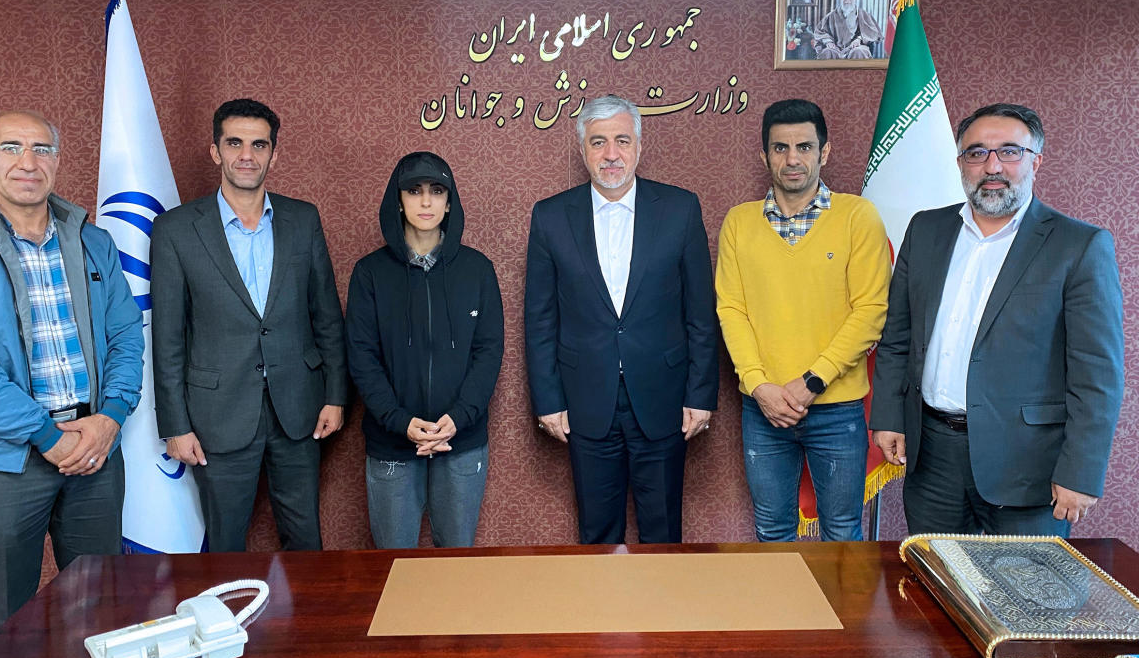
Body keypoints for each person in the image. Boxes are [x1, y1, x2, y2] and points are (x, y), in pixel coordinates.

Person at [0, 111, 143, 643]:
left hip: (94, 451)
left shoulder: (93, 242)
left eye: (41, 149)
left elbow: (127, 336)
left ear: (57, 162)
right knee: (5, 621)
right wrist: (44, 435)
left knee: (101, 609)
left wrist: (109, 418)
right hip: (5, 461)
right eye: (12, 147)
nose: (28, 162)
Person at [870, 103, 1124, 536]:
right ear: (960, 163)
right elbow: (898, 336)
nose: (992, 166)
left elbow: (1097, 374)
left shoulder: (1079, 246)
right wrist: (890, 415)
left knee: (1027, 597)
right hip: (932, 455)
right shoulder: (926, 230)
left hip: (1029, 465)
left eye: (1009, 152)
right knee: (937, 587)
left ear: (1035, 160)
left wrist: (1080, 472)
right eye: (977, 153)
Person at [151, 98, 347, 552]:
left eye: (259, 145)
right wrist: (175, 425)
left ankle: (306, 625)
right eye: (234, 143)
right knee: (224, 543)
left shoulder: (303, 219)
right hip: (216, 413)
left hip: (299, 408)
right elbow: (167, 338)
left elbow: (326, 316)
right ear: (215, 151)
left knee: (305, 539)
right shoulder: (176, 230)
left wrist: (336, 395)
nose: (247, 155)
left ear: (274, 154)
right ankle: (229, 626)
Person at [524, 94, 718, 544]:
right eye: (598, 142)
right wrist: (548, 400)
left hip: (665, 399)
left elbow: (700, 314)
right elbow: (538, 320)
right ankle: (601, 615)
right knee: (597, 533)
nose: (611, 154)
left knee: (663, 532)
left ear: (638, 146)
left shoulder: (680, 209)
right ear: (583, 150)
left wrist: (701, 393)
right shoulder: (551, 217)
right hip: (585, 401)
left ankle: (664, 615)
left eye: (621, 141)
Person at [715, 99, 890, 541]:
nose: (792, 159)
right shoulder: (739, 223)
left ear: (824, 152)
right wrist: (760, 386)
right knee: (772, 529)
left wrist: (811, 382)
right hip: (764, 409)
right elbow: (730, 309)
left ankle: (838, 615)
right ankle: (782, 614)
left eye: (804, 147)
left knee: (842, 529)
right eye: (780, 148)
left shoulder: (857, 217)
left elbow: (870, 312)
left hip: (837, 408)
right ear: (764, 156)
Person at [346, 151, 503, 548]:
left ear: (450, 202)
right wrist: (399, 421)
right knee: (393, 564)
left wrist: (459, 417)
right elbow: (362, 356)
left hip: (461, 441)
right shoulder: (370, 273)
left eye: (437, 191)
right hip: (393, 441)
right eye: (414, 191)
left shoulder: (478, 270)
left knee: (455, 566)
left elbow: (488, 352)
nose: (427, 201)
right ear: (398, 200)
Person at [812, 0, 884, 60]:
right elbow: (820, 32)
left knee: (859, 51)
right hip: (836, 49)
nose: (847, 0)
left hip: (856, 47)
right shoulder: (831, 16)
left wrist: (859, 39)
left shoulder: (863, 15)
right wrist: (828, 41)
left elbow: (873, 32)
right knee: (827, 52)